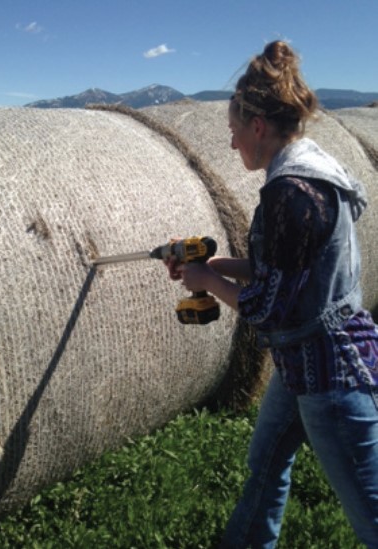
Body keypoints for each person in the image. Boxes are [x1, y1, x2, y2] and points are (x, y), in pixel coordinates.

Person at [166, 40, 378, 548]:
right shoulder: (311, 167)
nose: (233, 143)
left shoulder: (291, 193)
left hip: (331, 376)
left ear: (257, 126)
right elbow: (287, 269)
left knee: (371, 511)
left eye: (235, 131)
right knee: (264, 463)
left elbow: (270, 308)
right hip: (300, 364)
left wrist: (208, 284)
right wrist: (219, 264)